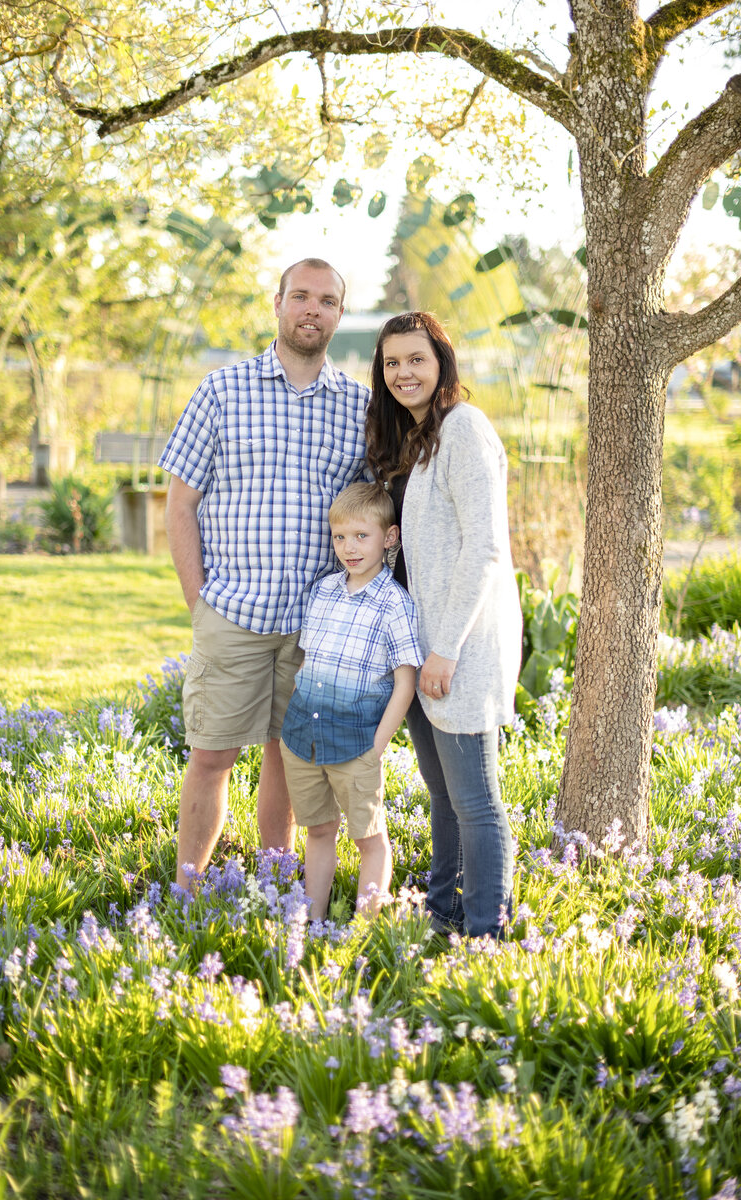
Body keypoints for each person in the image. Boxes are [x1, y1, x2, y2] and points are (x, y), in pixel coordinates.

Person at [158, 259, 369, 892]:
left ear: (338, 314)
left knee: (289, 759)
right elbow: (180, 503)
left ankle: (275, 882)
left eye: (326, 300)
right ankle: (188, 889)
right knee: (213, 754)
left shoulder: (357, 406)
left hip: (314, 623)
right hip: (235, 612)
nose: (312, 309)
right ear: (277, 303)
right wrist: (200, 603)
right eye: (300, 296)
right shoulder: (222, 390)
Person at [366, 311, 522, 939]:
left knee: (477, 801)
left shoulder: (464, 429)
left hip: (459, 648)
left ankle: (485, 934)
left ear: (441, 364)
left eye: (417, 359)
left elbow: (483, 547)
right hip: (419, 647)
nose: (404, 372)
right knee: (443, 796)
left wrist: (446, 650)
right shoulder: (408, 438)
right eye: (392, 362)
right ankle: (443, 916)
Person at [279, 482, 423, 919]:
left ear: (389, 537)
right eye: (340, 537)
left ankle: (363, 929)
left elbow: (405, 682)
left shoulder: (394, 604)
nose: (349, 547)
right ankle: (313, 920)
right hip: (304, 739)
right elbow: (312, 661)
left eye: (362, 536)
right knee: (319, 830)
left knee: (369, 837)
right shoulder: (322, 592)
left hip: (357, 743)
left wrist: (377, 746)